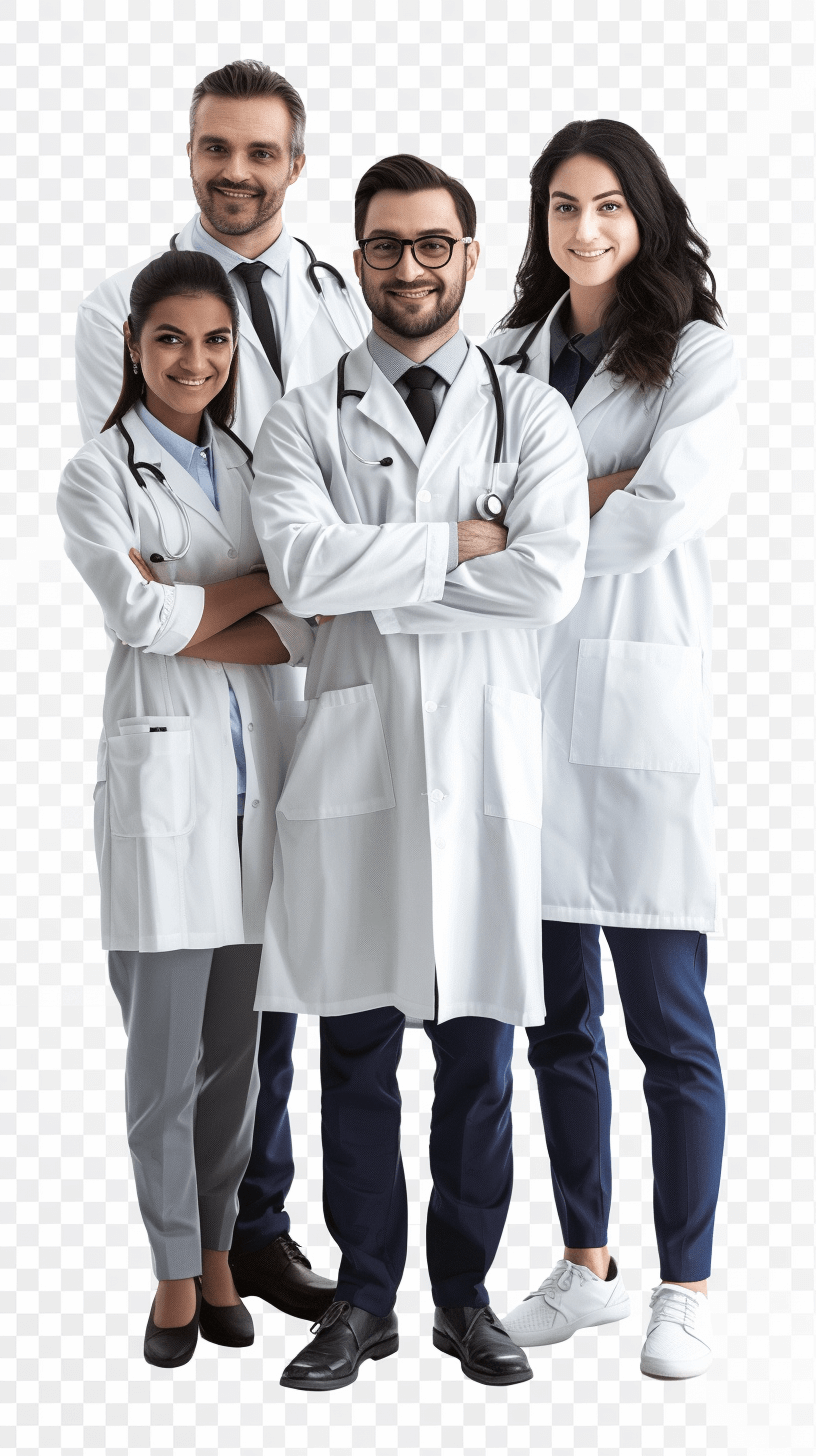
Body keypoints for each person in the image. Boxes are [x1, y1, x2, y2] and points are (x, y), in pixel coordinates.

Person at [249, 154, 590, 1391]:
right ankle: (362, 1300)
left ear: (470, 252)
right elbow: (294, 568)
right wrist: (457, 547)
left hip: (489, 769)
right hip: (358, 765)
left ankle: (464, 1297)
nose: (408, 267)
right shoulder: (306, 412)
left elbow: (550, 581)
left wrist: (377, 579)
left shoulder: (530, 410)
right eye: (385, 246)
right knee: (351, 1051)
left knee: (481, 1057)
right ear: (359, 252)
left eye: (431, 244)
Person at [73, 58, 369, 1322]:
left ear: (295, 164)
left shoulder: (339, 302)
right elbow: (143, 543)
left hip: (284, 718)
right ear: (188, 151)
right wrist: (259, 582)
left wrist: (246, 589)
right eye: (215, 148)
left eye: (260, 153)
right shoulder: (113, 309)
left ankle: (252, 1225)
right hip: (178, 724)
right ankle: (199, 1253)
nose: (235, 172)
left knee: (266, 997)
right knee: (176, 1029)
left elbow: (327, 543)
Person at [481, 118, 740, 1380]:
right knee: (555, 1021)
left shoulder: (697, 355)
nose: (583, 228)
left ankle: (684, 1285)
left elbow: (662, 509)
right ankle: (586, 1266)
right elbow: (446, 504)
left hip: (636, 721)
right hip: (518, 717)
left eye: (607, 207)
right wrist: (586, 492)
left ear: (645, 215)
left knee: (670, 1024)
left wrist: (532, 514)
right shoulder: (502, 353)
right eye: (561, 207)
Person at [58, 250, 318, 1368]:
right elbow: (136, 615)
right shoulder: (94, 475)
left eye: (216, 342)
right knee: (162, 1065)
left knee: (240, 1057)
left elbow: (307, 620)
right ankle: (174, 1272)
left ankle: (220, 1247)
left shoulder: (262, 465)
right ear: (134, 344)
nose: (194, 361)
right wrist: (255, 587)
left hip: (260, 790)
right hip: (164, 795)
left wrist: (193, 602)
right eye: (170, 339)